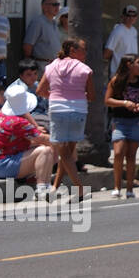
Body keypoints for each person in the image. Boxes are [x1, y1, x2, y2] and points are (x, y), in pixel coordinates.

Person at [36, 38, 94, 197]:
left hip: (58, 110)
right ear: (72, 51)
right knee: (68, 152)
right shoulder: (85, 69)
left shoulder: (51, 66)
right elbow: (91, 96)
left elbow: (40, 90)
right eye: (83, 50)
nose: (85, 53)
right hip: (79, 110)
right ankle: (58, 188)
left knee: (65, 154)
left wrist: (54, 95)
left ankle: (76, 188)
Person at [0, 81, 56, 182]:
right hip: (3, 165)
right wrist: (64, 143)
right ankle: (42, 187)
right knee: (45, 151)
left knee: (42, 147)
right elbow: (42, 139)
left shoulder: (3, 116)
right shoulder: (18, 122)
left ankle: (30, 177)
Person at [105, 55, 139, 199]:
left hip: (136, 121)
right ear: (129, 65)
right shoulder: (116, 81)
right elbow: (107, 100)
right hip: (120, 121)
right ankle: (117, 187)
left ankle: (129, 188)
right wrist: (124, 103)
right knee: (118, 153)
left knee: (131, 155)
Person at [22, 0, 63, 65]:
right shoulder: (38, 22)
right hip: (41, 65)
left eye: (58, 5)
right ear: (44, 7)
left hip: (54, 65)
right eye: (54, 5)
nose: (57, 7)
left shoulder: (54, 23)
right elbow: (27, 46)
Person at [103, 4, 139, 77]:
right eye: (128, 15)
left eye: (133, 16)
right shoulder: (118, 30)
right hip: (119, 74)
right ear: (123, 16)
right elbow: (106, 53)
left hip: (131, 74)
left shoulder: (134, 31)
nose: (131, 18)